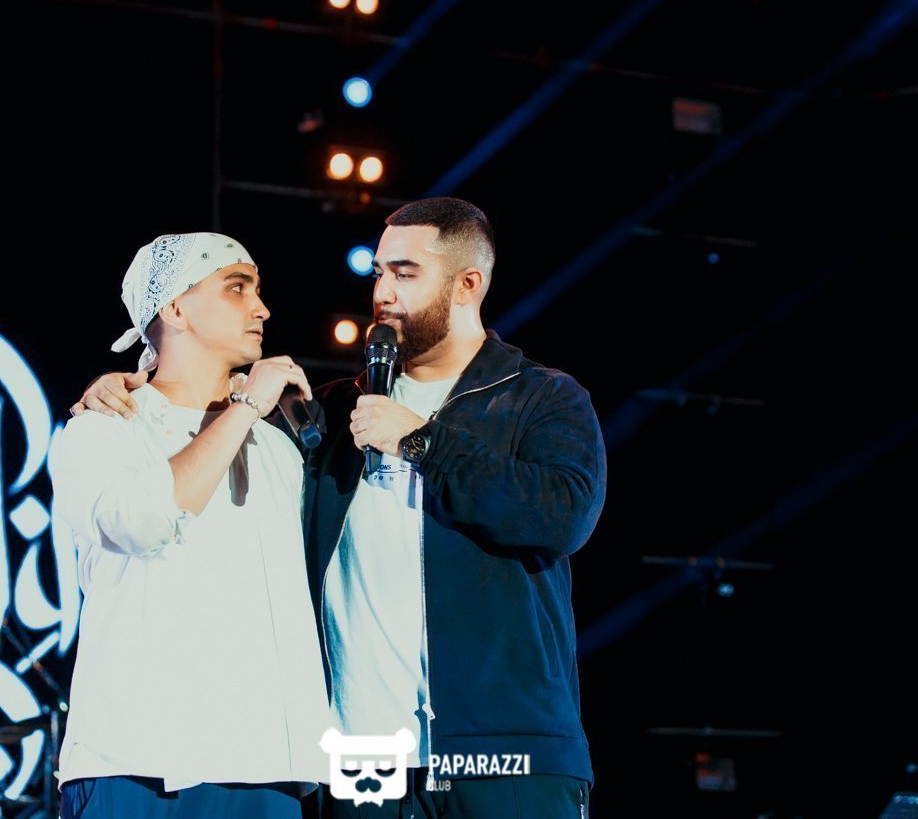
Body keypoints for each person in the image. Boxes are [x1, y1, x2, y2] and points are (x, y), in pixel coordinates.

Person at [75, 201, 607, 818]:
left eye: (405, 273)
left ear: (468, 284)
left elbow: (563, 515)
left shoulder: (538, 396)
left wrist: (422, 442)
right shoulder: (326, 414)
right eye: (378, 273)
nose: (382, 292)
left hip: (504, 749)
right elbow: (193, 428)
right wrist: (128, 383)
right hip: (361, 756)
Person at [51, 232, 331, 818]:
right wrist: (245, 408)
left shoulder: (280, 449)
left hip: (267, 764)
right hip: (143, 759)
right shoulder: (103, 429)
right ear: (175, 308)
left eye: (258, 290)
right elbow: (141, 521)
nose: (262, 308)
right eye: (237, 288)